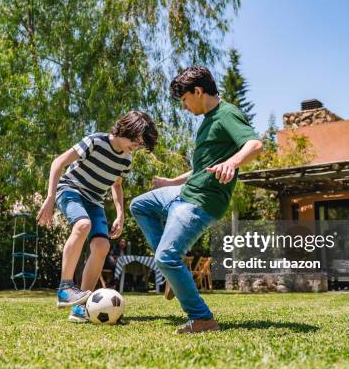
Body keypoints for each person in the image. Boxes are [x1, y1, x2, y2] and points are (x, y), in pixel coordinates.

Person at [130, 66, 262, 333]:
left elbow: (254, 145)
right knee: (140, 205)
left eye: (185, 100)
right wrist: (171, 182)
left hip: (202, 201)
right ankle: (171, 274)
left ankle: (202, 318)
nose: (185, 106)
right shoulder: (209, 121)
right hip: (184, 191)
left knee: (167, 257)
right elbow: (202, 168)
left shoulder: (226, 114)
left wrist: (233, 163)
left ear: (198, 91)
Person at [37, 111, 158, 323]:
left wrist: (120, 213)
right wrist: (49, 197)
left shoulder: (126, 160)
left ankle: (80, 307)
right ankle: (65, 289)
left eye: (140, 146)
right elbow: (58, 162)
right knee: (82, 225)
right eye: (136, 142)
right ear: (126, 129)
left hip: (94, 201)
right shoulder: (94, 141)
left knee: (102, 247)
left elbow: (117, 185)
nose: (136, 148)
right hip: (70, 190)